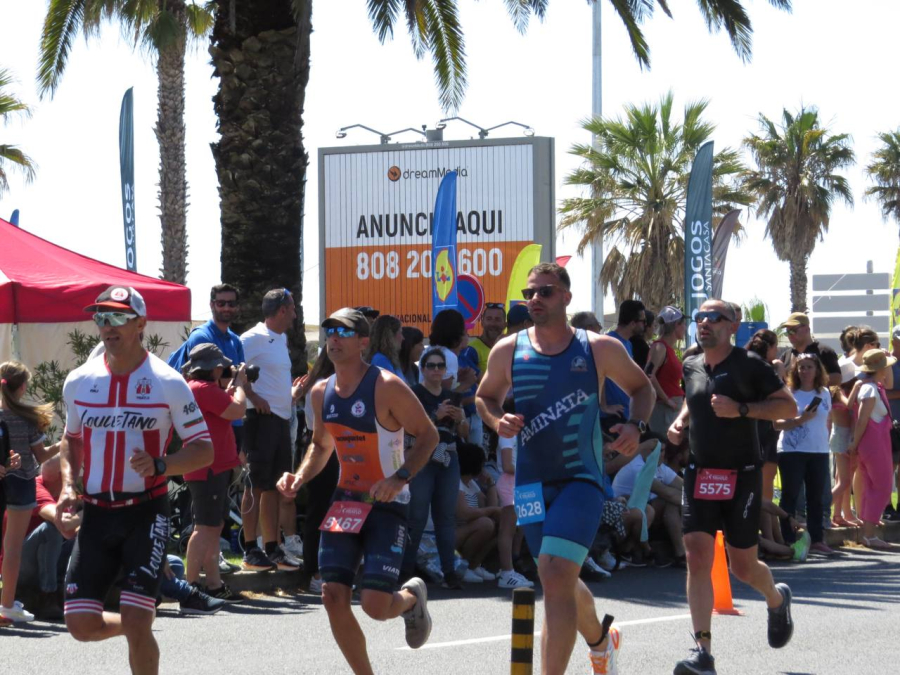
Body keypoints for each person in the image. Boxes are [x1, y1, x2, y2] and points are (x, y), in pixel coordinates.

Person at [477, 262, 654, 675]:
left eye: (545, 291)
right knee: (556, 576)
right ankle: (601, 641)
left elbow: (641, 388)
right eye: (530, 293)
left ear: (566, 297)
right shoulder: (509, 350)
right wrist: (497, 420)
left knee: (556, 573)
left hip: (581, 479)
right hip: (530, 484)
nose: (535, 299)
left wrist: (636, 424)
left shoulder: (597, 348)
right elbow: (485, 397)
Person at [58, 285, 214, 675]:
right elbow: (71, 440)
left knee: (138, 617)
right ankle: (134, 628)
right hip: (96, 514)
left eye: (118, 317)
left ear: (141, 324)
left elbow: (203, 450)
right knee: (80, 625)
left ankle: (137, 628)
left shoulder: (167, 382)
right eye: (101, 317)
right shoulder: (80, 380)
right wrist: (68, 486)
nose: (107, 326)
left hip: (145, 513)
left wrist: (161, 464)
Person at [277, 307, 440, 674]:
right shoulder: (321, 392)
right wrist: (299, 478)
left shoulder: (386, 386)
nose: (334, 338)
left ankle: (411, 598)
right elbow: (321, 446)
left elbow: (428, 435)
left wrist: (399, 478)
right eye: (330, 331)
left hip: (387, 502)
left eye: (345, 332)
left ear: (364, 342)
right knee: (332, 595)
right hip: (346, 503)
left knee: (375, 606)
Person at [668, 299, 798, 675]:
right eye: (700, 317)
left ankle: (776, 599)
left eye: (714, 318)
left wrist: (742, 409)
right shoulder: (692, 363)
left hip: (741, 475)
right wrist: (681, 421)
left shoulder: (750, 365)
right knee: (696, 555)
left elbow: (787, 407)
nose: (704, 323)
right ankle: (702, 652)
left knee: (742, 567)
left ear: (733, 326)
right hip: (699, 473)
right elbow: (693, 399)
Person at [239, 288, 304, 571]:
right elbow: (233, 371)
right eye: (292, 309)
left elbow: (274, 379)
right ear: (282, 310)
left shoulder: (282, 338)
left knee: (276, 487)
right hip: (259, 420)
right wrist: (253, 397)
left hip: (281, 420)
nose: (295, 315)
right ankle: (250, 548)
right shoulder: (251, 337)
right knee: (254, 485)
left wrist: (291, 395)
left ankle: (272, 547)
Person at [182, 344, 247, 603]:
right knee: (204, 527)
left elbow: (221, 410)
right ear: (214, 368)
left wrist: (229, 391)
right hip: (208, 468)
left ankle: (213, 585)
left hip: (211, 467)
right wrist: (240, 385)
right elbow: (238, 410)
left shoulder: (199, 388)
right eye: (221, 367)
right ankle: (190, 588)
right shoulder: (204, 389)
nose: (224, 370)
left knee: (214, 526)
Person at [402, 347, 469, 589]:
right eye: (431, 366)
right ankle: (405, 572)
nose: (436, 370)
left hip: (448, 457)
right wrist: (436, 416)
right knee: (417, 517)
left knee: (446, 517)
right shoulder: (414, 394)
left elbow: (464, 433)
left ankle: (449, 572)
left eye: (440, 366)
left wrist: (460, 419)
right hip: (422, 457)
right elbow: (409, 429)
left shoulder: (453, 396)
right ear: (423, 369)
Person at [0, 361, 59, 623]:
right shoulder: (28, 418)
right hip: (22, 483)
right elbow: (42, 455)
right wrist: (64, 443)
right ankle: (7, 604)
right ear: (23, 387)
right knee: (12, 547)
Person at [774, 355, 835, 556]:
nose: (805, 371)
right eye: (801, 367)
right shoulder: (789, 392)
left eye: (809, 367)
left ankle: (817, 539)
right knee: (790, 495)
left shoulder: (824, 393)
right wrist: (801, 419)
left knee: (816, 497)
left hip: (818, 450)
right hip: (792, 451)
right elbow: (776, 424)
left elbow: (828, 419)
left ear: (817, 370)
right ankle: (788, 539)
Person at [1, 454, 73, 621]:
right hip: (16, 568)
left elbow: (71, 531)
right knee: (51, 529)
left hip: (34, 561)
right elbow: (60, 520)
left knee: (78, 536)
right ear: (61, 475)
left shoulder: (62, 493)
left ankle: (68, 590)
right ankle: (47, 596)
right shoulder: (35, 487)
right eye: (71, 471)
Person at [296, 349, 338, 594]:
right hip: (322, 448)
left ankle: (331, 569)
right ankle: (314, 571)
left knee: (334, 512)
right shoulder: (321, 387)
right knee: (320, 511)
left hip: (338, 450)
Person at [848, 350, 897, 550]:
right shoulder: (870, 389)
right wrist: (854, 444)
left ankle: (868, 533)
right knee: (883, 486)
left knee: (872, 486)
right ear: (880, 368)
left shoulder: (874, 386)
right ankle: (869, 534)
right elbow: (862, 419)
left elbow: (889, 383)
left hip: (875, 442)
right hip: (873, 443)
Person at [744, 329, 788, 547]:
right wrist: (778, 370)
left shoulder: (749, 365)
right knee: (760, 489)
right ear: (769, 348)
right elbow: (779, 396)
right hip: (759, 429)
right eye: (775, 347)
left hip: (767, 429)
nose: (777, 351)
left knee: (765, 488)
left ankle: (776, 538)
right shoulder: (763, 369)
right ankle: (771, 539)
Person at [455, 441, 501, 582]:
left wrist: (490, 484)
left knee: (499, 523)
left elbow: (490, 507)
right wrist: (493, 510)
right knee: (486, 524)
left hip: (465, 531)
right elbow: (464, 514)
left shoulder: (471, 483)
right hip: (450, 534)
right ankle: (463, 567)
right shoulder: (456, 482)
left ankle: (473, 566)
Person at [601, 299, 647, 430]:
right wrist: (604, 406)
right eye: (643, 321)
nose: (645, 325)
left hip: (626, 413)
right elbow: (599, 374)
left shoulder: (628, 344)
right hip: (613, 417)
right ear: (633, 323)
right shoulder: (609, 342)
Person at [647, 307, 687, 435]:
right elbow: (649, 374)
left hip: (671, 409)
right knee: (667, 444)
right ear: (676, 325)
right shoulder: (660, 347)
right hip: (664, 410)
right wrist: (667, 400)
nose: (685, 328)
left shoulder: (668, 348)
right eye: (683, 324)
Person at [419, 309, 476, 394]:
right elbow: (444, 397)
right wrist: (466, 383)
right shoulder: (449, 356)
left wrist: (456, 377)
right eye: (465, 332)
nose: (467, 335)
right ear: (458, 334)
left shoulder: (428, 350)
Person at [779, 312, 842, 386]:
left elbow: (837, 378)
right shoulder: (786, 356)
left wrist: (810, 381)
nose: (790, 335)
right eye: (788, 332)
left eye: (793, 331)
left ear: (807, 329)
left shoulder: (824, 351)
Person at [885, 325, 900, 520]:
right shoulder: (886, 362)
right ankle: (887, 505)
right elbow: (881, 392)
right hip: (889, 423)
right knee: (890, 466)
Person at [469, 303, 507, 375]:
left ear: (505, 324)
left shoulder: (510, 348)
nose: (493, 324)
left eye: (498, 319)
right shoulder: (472, 349)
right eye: (489, 319)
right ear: (482, 323)